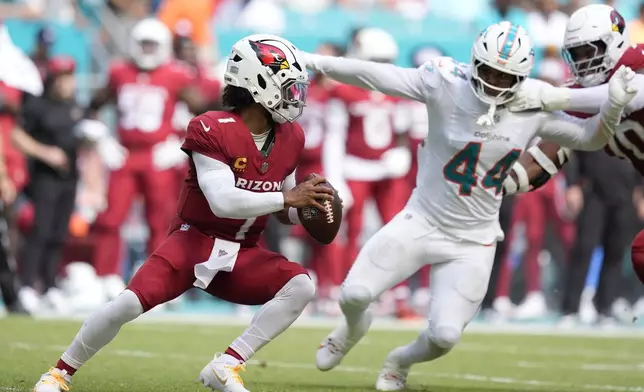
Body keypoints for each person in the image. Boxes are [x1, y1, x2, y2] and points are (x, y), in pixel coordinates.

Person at [302, 21, 635, 391]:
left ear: (522, 77)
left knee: (444, 336)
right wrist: (314, 62)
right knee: (354, 295)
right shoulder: (445, 82)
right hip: (422, 219)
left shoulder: (535, 100)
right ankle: (352, 328)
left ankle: (400, 361)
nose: (494, 81)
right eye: (489, 70)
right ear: (474, 61)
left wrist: (613, 107)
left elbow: (589, 139)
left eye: (506, 76)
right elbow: (376, 75)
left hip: (474, 239)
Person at [33, 33, 336, 392]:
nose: (295, 97)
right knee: (126, 306)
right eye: (287, 87)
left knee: (300, 285)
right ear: (257, 84)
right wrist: (288, 200)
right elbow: (223, 200)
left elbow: (284, 207)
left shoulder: (292, 136)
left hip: (243, 253)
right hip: (193, 243)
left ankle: (225, 366)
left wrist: (309, 208)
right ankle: (59, 373)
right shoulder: (210, 127)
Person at [500, 5, 644, 322]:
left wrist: (551, 97)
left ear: (613, 43)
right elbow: (544, 157)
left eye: (588, 51)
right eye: (575, 54)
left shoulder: (638, 62)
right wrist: (494, 182)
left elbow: (632, 94)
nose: (581, 62)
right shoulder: (583, 92)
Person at [85, 18, 205, 299]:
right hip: (125, 154)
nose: (148, 49)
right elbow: (92, 106)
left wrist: (180, 143)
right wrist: (102, 137)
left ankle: (156, 281)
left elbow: (205, 111)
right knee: (111, 218)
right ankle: (106, 277)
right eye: (144, 44)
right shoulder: (119, 72)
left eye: (153, 44)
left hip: (157, 155)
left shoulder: (176, 75)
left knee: (159, 221)